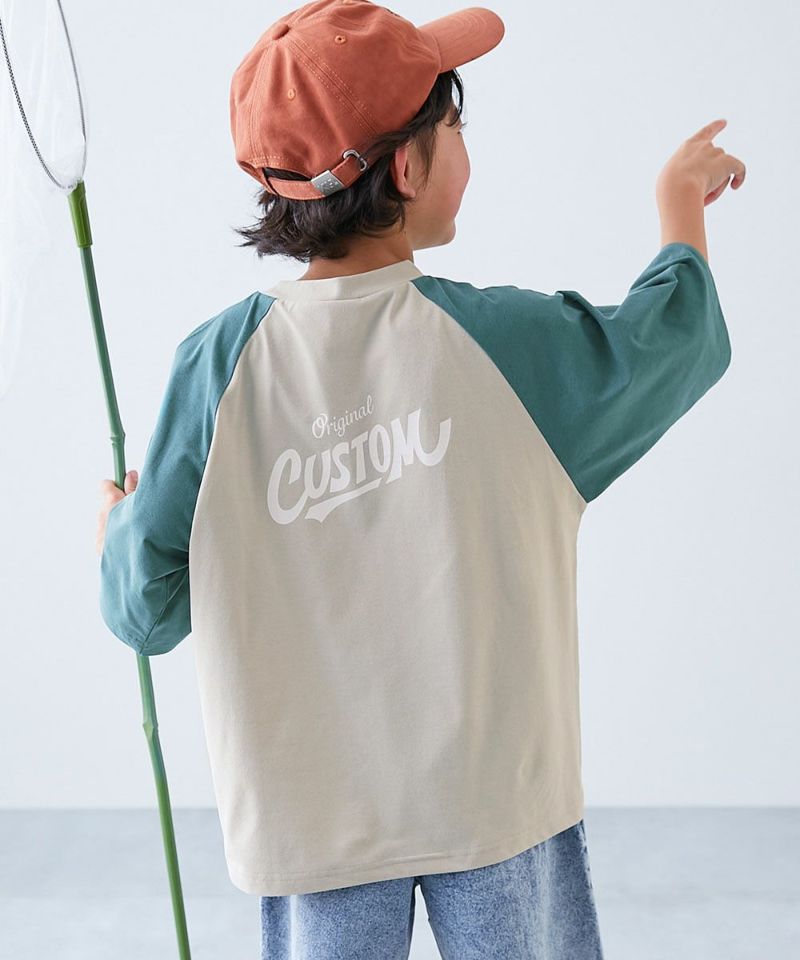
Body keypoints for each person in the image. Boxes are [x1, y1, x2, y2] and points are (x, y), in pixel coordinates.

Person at [95, 1, 746, 957]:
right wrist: (679, 204)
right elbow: (672, 343)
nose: (466, 149)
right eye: (456, 127)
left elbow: (143, 610)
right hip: (494, 803)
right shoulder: (505, 344)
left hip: (312, 824)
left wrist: (117, 532)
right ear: (407, 168)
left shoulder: (215, 368)